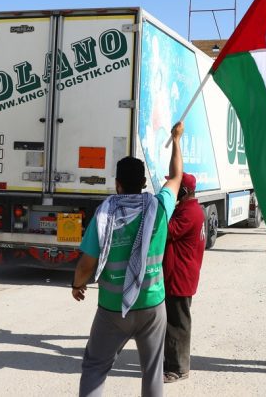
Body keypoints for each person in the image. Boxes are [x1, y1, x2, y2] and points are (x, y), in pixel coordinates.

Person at [72, 122, 184, 397]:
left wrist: (77, 284)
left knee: (95, 367)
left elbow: (87, 263)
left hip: (112, 309)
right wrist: (176, 139)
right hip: (152, 303)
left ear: (117, 184)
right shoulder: (158, 208)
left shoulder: (104, 213)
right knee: (152, 370)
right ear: (144, 184)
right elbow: (176, 176)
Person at [162, 172, 206, 383]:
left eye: (173, 185)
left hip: (179, 276)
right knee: (172, 321)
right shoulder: (187, 209)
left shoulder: (189, 212)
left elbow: (166, 231)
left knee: (177, 324)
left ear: (185, 191)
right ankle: (172, 363)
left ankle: (178, 369)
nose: (169, 188)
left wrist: (162, 206)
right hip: (179, 274)